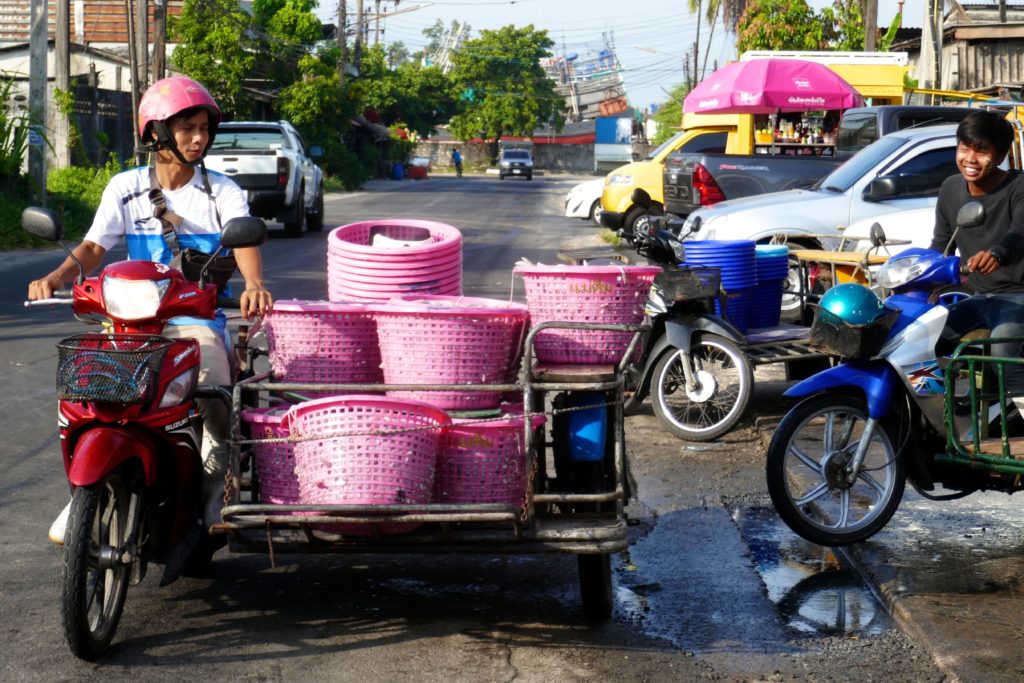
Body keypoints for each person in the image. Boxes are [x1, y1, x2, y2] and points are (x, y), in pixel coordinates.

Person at [29, 76, 274, 543]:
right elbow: (94, 247)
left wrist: (255, 285)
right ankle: (83, 490)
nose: (199, 138)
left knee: (215, 397)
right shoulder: (125, 187)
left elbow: (245, 246)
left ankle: (212, 490)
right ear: (157, 134)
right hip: (127, 321)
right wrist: (57, 278)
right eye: (187, 129)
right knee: (84, 394)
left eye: (203, 128)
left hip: (195, 321)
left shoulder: (221, 192)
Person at [931, 109, 1024, 406]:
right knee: (918, 341)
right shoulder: (950, 188)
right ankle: (931, 426)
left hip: (1018, 296)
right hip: (978, 298)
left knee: (1002, 350)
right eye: (964, 148)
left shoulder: (1018, 187)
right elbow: (941, 245)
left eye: (981, 151)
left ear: (999, 155)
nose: (970, 158)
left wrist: (998, 252)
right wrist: (920, 279)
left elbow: (1020, 232)